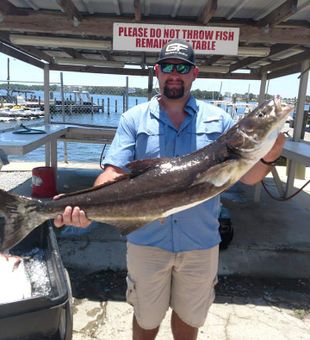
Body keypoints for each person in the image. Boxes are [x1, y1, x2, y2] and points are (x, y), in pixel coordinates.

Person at [54, 39, 285, 340]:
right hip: (147, 241)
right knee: (146, 320)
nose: (174, 74)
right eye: (168, 67)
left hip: (200, 243)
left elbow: (250, 178)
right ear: (157, 72)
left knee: (189, 319)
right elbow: (113, 172)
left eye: (182, 68)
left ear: (194, 74)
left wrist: (270, 151)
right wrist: (83, 207)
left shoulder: (221, 120)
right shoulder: (133, 118)